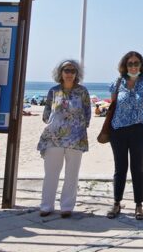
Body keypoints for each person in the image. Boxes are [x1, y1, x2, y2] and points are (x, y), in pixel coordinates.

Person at [37, 59, 91, 217]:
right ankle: (46, 205)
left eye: (72, 71)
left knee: (72, 174)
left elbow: (87, 113)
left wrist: (77, 128)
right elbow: (46, 114)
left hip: (76, 139)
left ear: (77, 74)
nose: (69, 74)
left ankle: (67, 206)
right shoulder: (53, 91)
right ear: (60, 73)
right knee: (51, 173)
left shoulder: (82, 92)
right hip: (53, 138)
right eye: (66, 70)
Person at [106, 51, 143, 220]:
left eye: (136, 63)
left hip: (139, 130)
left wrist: (137, 118)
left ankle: (139, 205)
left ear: (141, 65)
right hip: (118, 130)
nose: (133, 66)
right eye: (130, 63)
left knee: (137, 168)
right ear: (124, 66)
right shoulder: (117, 83)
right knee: (120, 168)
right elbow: (114, 105)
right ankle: (116, 202)